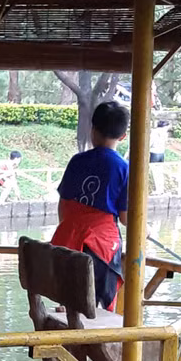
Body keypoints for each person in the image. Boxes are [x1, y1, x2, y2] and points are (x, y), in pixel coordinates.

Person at [51, 100, 131, 311]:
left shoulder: (76, 161)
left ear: (92, 129)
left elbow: (63, 205)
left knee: (75, 293)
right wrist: (145, 229)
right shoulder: (123, 168)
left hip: (67, 241)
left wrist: (71, 230)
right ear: (123, 136)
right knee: (104, 298)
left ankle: (68, 308)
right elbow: (125, 218)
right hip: (102, 246)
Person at [149, 120, 170, 196]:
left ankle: (158, 189)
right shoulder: (164, 133)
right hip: (161, 153)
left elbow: (150, 143)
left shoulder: (154, 132)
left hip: (154, 153)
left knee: (155, 172)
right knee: (160, 171)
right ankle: (161, 189)